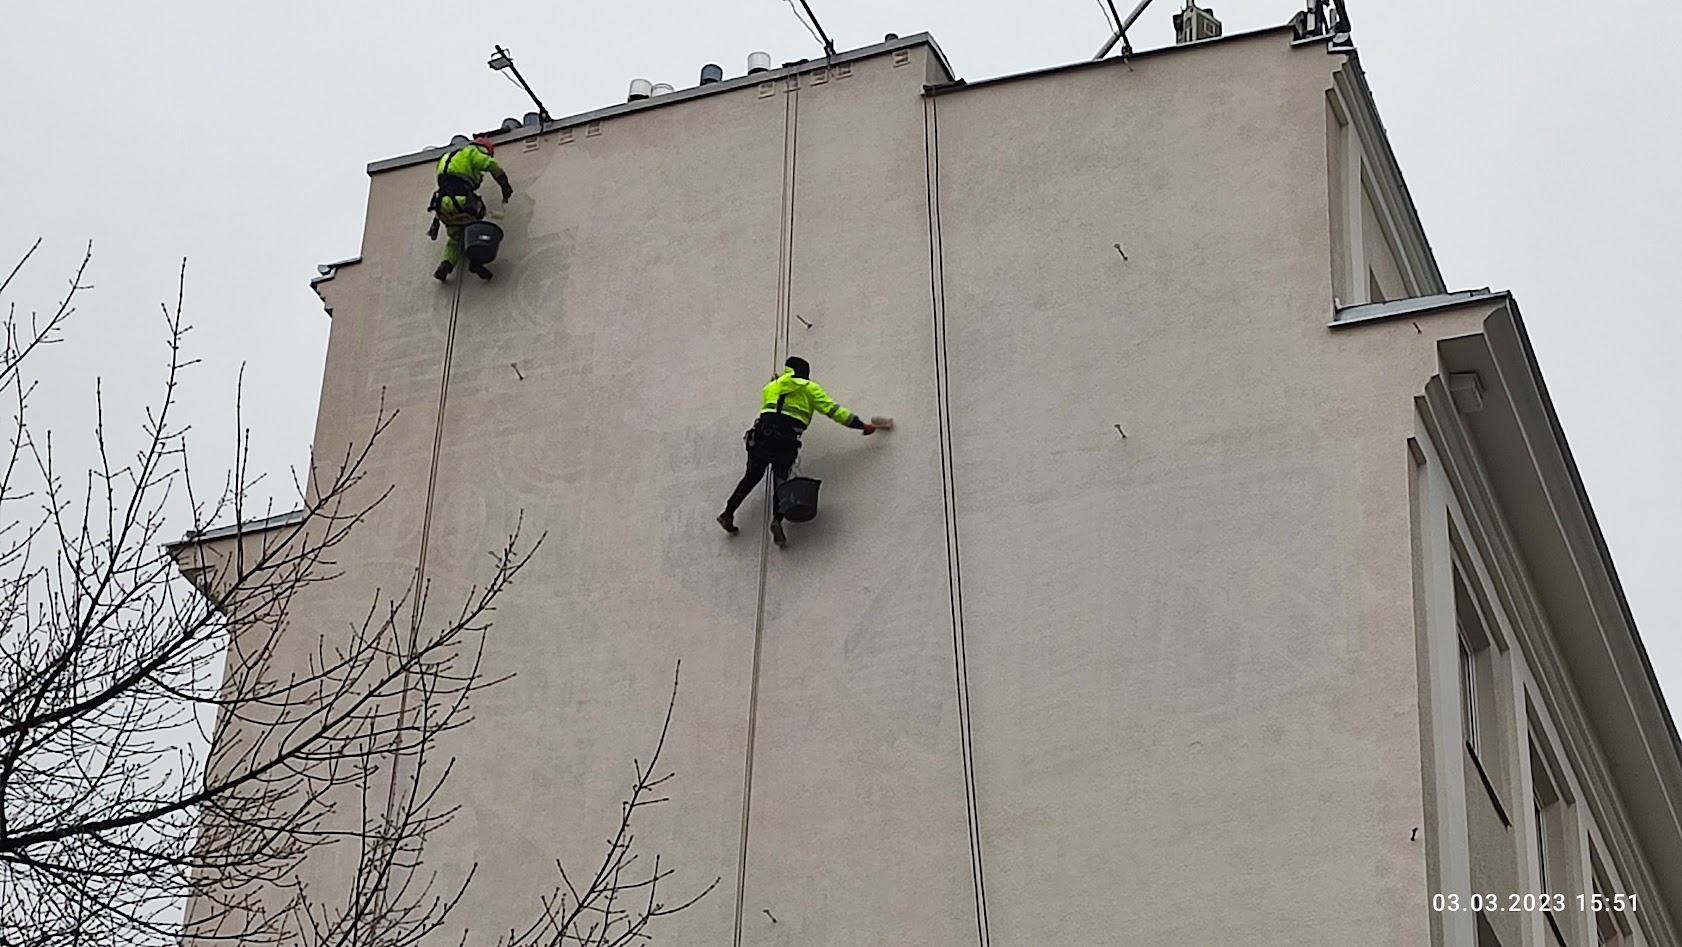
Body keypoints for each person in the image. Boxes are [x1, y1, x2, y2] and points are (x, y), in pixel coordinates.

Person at [717, 356, 876, 546]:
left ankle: (728, 512)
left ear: (787, 370)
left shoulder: (771, 387)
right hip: (785, 441)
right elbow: (834, 411)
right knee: (781, 481)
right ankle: (776, 520)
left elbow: (774, 402)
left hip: (760, 438)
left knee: (751, 477)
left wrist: (777, 381)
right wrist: (860, 425)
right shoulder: (809, 388)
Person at [427, 136, 514, 282]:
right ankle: (476, 262)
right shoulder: (472, 153)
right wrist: (505, 186)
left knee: (455, 238)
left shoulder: (447, 157)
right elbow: (491, 165)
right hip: (462, 200)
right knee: (479, 224)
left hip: (441, 205)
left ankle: (446, 265)